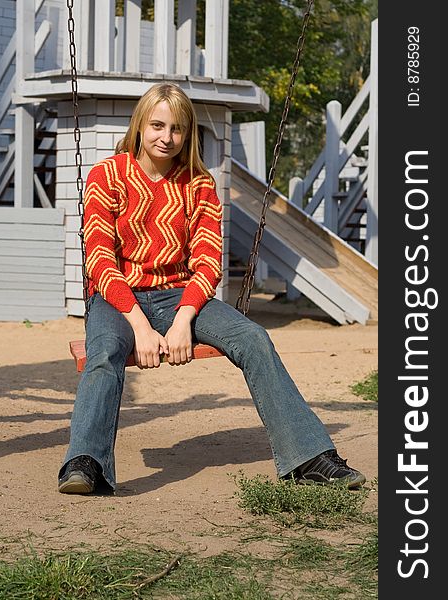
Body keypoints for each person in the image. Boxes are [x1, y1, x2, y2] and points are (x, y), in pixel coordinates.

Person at [58, 82, 366, 495]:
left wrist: (183, 320)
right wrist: (141, 328)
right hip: (118, 297)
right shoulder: (107, 175)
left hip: (177, 296)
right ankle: (86, 462)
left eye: (177, 129)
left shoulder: (199, 184)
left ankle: (307, 457)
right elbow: (99, 259)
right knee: (105, 350)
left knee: (254, 337)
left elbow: (206, 262)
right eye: (157, 126)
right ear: (140, 126)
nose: (166, 138)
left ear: (188, 134)